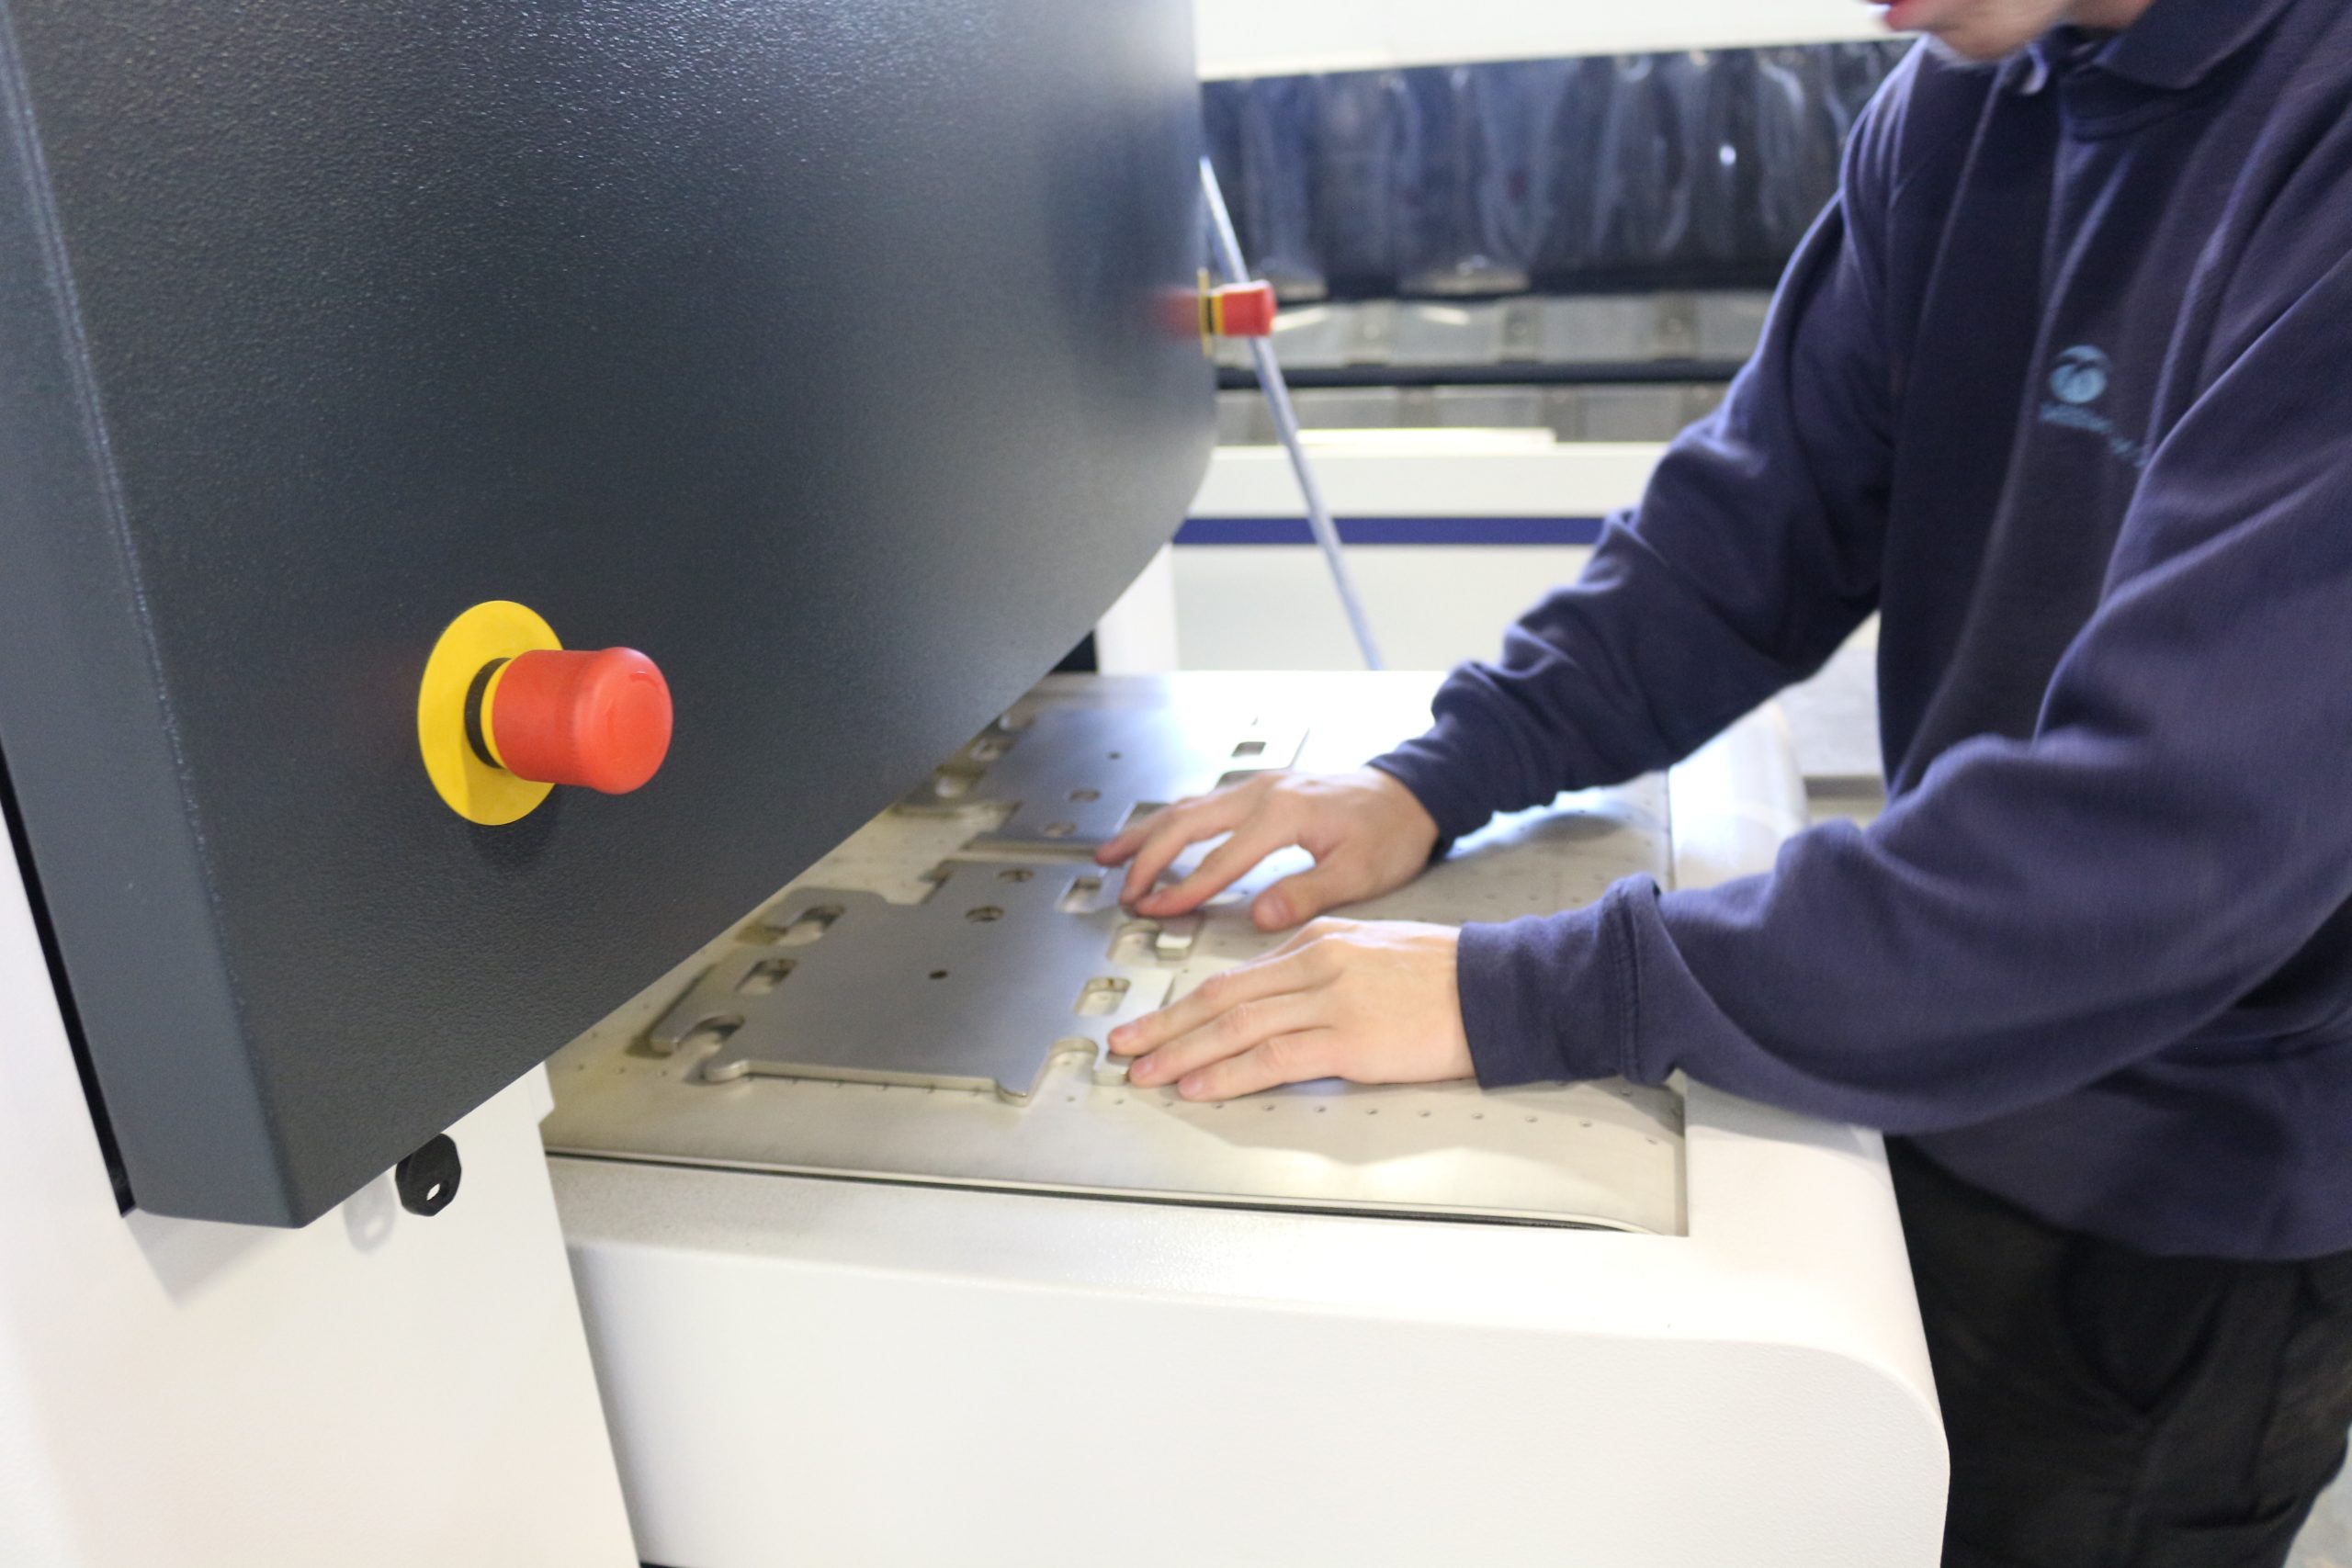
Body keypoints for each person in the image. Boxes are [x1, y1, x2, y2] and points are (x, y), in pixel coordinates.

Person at [1094, 1, 2352, 1562]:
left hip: (2171, 1221)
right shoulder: (1963, 101)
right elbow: (1755, 528)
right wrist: (1434, 776)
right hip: (1935, 1086)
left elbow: (2166, 846)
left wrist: (1531, 993)